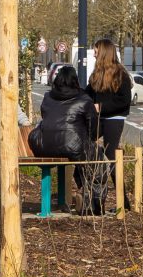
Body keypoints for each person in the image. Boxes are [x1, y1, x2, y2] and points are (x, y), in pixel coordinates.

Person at [30, 63, 100, 211]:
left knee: (84, 152)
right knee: (95, 157)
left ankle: (78, 196)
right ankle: (88, 197)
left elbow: (46, 118)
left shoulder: (48, 97)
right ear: (76, 81)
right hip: (72, 146)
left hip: (44, 146)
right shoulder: (84, 99)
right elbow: (94, 128)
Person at [86, 40, 133, 159]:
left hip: (114, 118)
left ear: (103, 53)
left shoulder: (121, 75)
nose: (94, 55)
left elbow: (124, 100)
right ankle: (96, 163)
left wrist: (100, 107)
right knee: (82, 140)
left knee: (111, 154)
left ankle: (117, 177)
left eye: (96, 52)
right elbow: (87, 92)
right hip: (98, 117)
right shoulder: (97, 74)